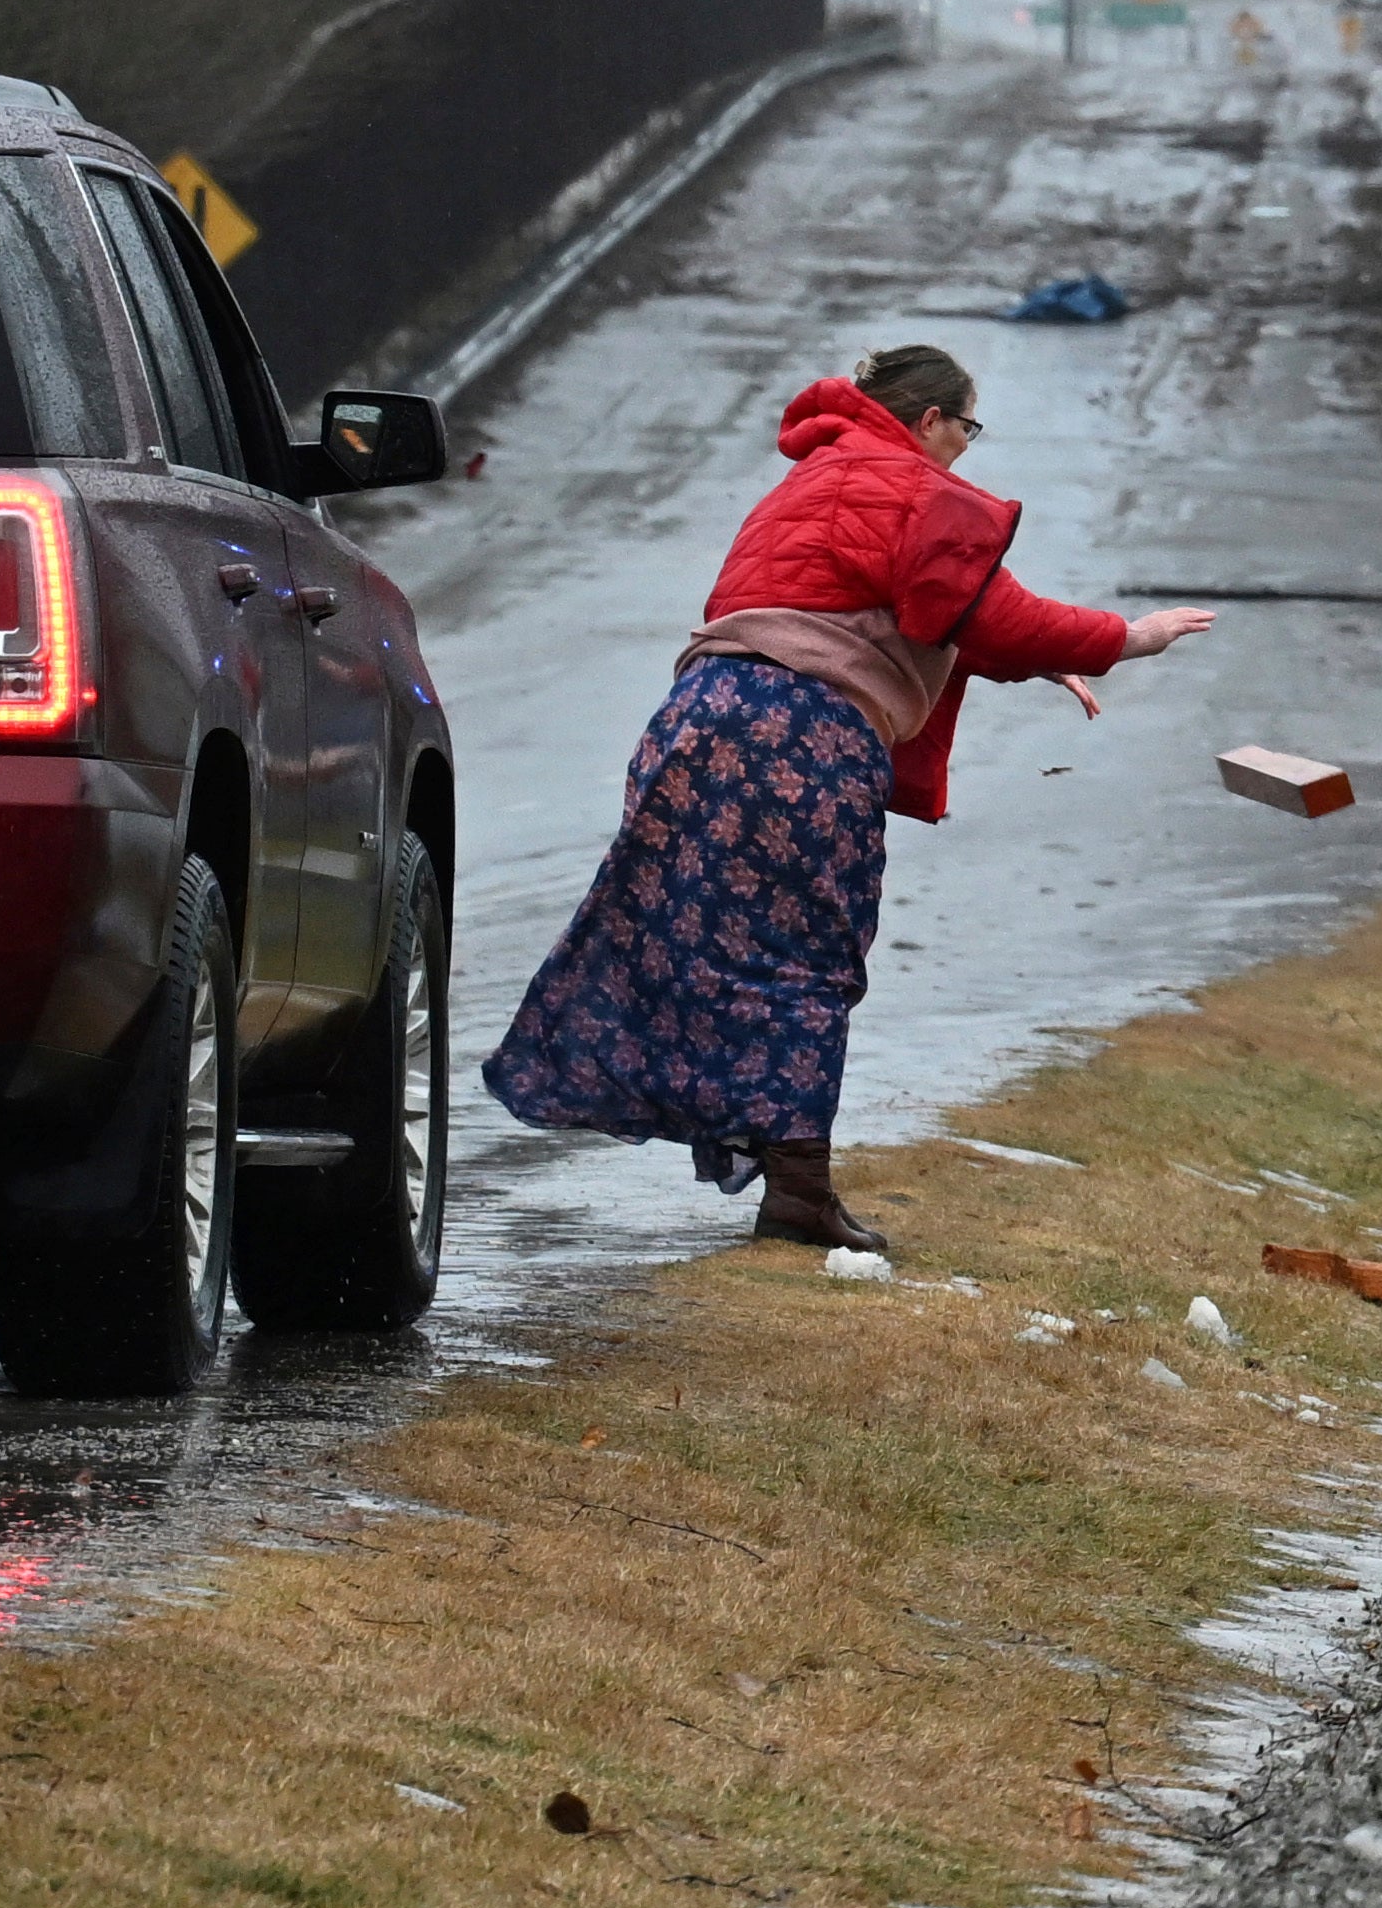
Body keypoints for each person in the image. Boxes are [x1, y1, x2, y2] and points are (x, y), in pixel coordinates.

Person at [485, 345, 1208, 1259]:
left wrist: (1025, 656)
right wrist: (1128, 638)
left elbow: (871, 609)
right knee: (807, 957)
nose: (964, 452)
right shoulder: (912, 484)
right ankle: (797, 1189)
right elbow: (988, 612)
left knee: (683, 934)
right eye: (966, 429)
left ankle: (717, 1124)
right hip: (799, 735)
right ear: (932, 420)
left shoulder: (816, 477)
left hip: (695, 720)